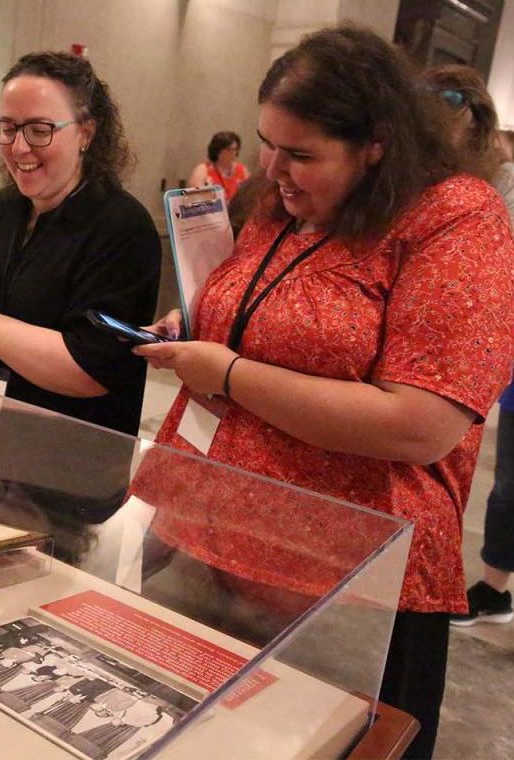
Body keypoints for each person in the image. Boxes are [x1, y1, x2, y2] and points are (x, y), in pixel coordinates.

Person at [133, 26, 514, 759]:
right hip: (204, 530)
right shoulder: (283, 201)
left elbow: (420, 423)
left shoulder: (455, 217)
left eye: (301, 154)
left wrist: (231, 374)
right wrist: (203, 319)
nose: (273, 168)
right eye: (266, 143)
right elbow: (265, 311)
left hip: (347, 575)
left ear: (376, 143)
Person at [0, 51, 160, 435]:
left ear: (86, 133)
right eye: (9, 128)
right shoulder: (0, 210)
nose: (19, 148)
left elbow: (92, 370)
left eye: (40, 130)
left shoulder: (123, 226)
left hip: (69, 460)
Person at [422, 65, 514, 628]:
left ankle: (493, 584)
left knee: (500, 485)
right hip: (458, 370)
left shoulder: (486, 199)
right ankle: (492, 585)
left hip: (470, 363)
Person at [186, 130, 248, 201]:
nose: (233, 153)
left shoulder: (242, 170)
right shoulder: (203, 170)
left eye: (235, 149)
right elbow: (194, 198)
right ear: (217, 150)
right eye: (228, 149)